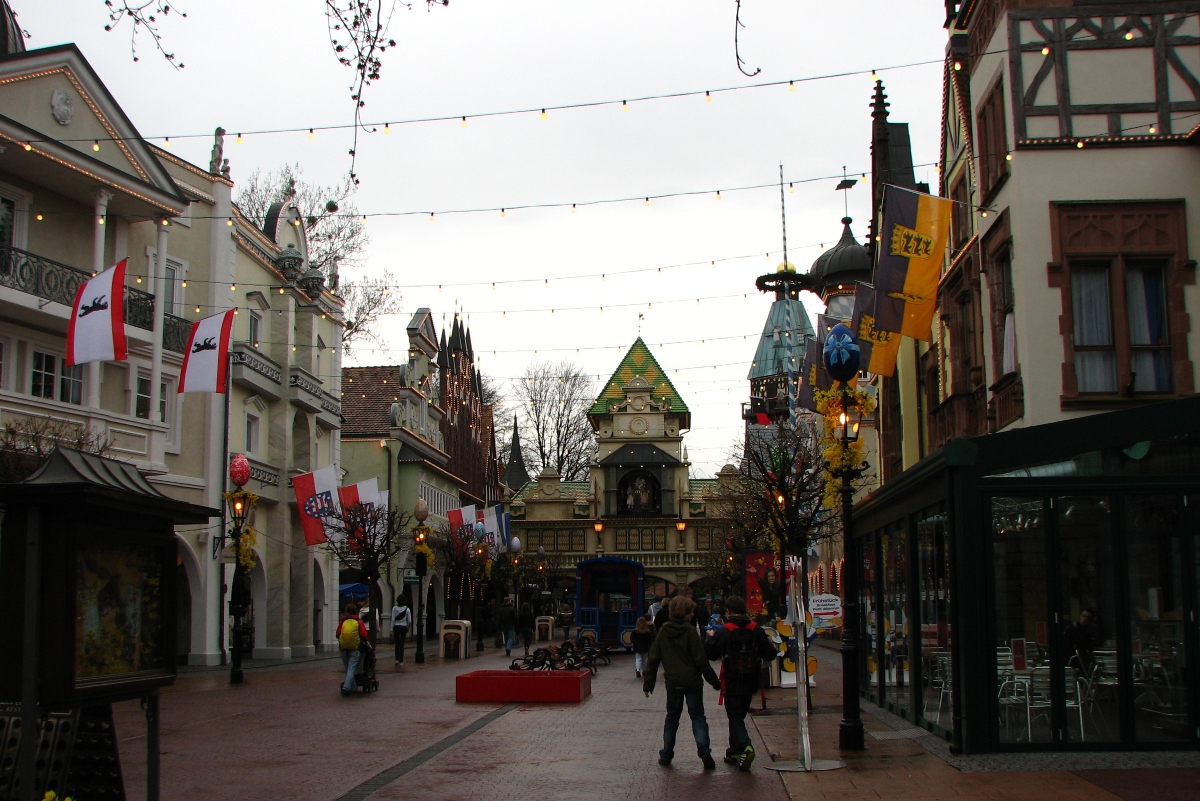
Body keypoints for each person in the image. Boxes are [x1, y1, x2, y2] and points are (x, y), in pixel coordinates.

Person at [643, 596, 721, 769]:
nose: (693, 615)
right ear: (685, 613)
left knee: (672, 718)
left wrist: (648, 684)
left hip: (673, 682)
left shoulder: (663, 631)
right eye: (691, 612)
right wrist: (714, 682)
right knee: (698, 717)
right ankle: (704, 751)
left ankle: (666, 754)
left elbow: (654, 658)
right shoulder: (690, 631)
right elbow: (701, 660)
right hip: (693, 681)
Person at [705, 595, 777, 770]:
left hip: (732, 679)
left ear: (728, 612)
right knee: (738, 714)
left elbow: (710, 653)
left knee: (735, 715)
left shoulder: (725, 630)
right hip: (752, 679)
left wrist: (709, 637)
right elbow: (770, 654)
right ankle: (734, 752)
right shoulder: (755, 629)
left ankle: (745, 746)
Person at [337, 603, 367, 696]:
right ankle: (346, 688)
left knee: (348, 669)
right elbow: (364, 635)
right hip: (355, 648)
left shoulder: (342, 621)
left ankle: (353, 687)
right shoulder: (358, 621)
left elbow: (338, 633)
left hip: (343, 648)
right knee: (351, 668)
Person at [391, 598, 412, 665]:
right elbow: (409, 621)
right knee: (402, 643)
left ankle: (397, 659)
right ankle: (401, 660)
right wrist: (408, 627)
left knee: (397, 643)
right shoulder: (407, 609)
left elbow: (393, 619)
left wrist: (391, 629)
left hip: (396, 626)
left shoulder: (394, 608)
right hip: (403, 626)